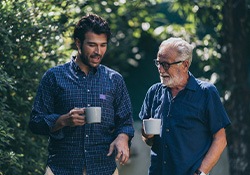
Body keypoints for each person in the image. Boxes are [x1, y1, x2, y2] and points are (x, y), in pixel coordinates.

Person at [29, 14, 134, 175]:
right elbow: (35, 123)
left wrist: (123, 137)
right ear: (78, 43)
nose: (98, 51)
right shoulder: (54, 77)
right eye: (92, 45)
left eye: (103, 45)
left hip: (103, 168)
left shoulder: (115, 80)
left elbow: (125, 122)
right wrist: (63, 120)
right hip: (62, 169)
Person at [139, 37, 231, 175]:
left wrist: (201, 172)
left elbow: (220, 139)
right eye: (158, 63)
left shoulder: (206, 93)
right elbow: (147, 139)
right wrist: (147, 133)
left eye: (165, 64)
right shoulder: (154, 92)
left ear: (185, 65)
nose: (160, 69)